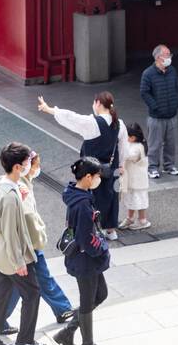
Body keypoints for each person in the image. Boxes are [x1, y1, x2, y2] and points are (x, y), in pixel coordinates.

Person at [0, 143, 47, 345]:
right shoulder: (10, 195)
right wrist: (19, 262)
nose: (30, 165)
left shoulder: (5, 187)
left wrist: (22, 198)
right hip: (13, 257)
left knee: (0, 296)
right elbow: (11, 232)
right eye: (27, 162)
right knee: (32, 293)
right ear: (18, 167)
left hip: (1, 254)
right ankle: (24, 341)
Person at [0, 152, 74, 337]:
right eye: (34, 165)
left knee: (17, 285)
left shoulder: (21, 183)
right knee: (41, 279)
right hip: (28, 246)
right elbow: (27, 219)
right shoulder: (20, 188)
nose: (36, 169)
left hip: (25, 247)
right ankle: (63, 308)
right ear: (22, 166)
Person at [38, 92, 128, 240]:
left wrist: (50, 110)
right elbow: (123, 146)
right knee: (110, 195)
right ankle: (111, 230)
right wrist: (121, 165)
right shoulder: (120, 123)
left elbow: (71, 118)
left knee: (91, 197)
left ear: (98, 103)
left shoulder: (92, 123)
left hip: (91, 170)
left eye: (94, 102)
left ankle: (93, 229)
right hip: (111, 168)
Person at [55, 156, 112, 345]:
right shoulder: (82, 204)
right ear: (88, 177)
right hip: (85, 260)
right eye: (97, 176)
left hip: (86, 260)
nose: (99, 179)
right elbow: (86, 239)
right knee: (88, 300)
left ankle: (67, 332)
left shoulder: (78, 195)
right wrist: (103, 248)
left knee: (100, 294)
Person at [139, 45, 178, 179]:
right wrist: (155, 106)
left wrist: (177, 103)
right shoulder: (148, 73)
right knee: (154, 144)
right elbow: (144, 93)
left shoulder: (172, 71)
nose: (170, 57)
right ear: (159, 57)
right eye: (167, 54)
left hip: (171, 115)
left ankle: (169, 166)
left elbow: (176, 88)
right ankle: (152, 167)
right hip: (156, 117)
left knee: (171, 143)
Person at [118, 123, 151, 230]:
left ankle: (142, 220)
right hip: (131, 180)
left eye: (126, 136)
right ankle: (130, 218)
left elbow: (128, 155)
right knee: (131, 200)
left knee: (139, 200)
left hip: (138, 182)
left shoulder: (138, 147)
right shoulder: (132, 144)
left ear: (133, 137)